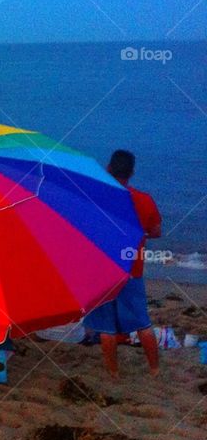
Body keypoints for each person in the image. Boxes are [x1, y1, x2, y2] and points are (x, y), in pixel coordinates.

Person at [84, 150, 162, 378]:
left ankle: (113, 372)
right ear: (132, 173)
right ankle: (155, 369)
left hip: (102, 269)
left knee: (106, 327)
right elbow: (156, 231)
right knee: (142, 322)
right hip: (132, 270)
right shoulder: (144, 199)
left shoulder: (96, 196)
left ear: (108, 169)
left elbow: (86, 229)